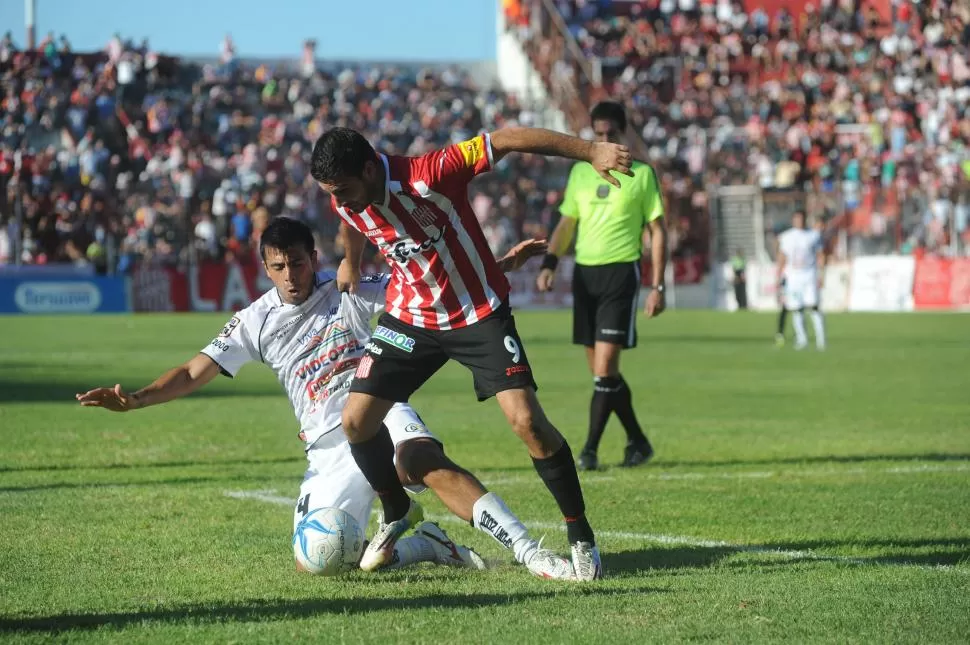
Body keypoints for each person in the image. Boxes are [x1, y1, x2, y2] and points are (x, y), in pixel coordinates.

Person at [76, 217, 576, 580]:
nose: (291, 274)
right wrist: (135, 400)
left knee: (419, 458)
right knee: (316, 559)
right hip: (326, 447)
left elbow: (429, 287)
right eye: (279, 266)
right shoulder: (254, 321)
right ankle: (425, 545)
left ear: (314, 258)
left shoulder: (349, 287)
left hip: (375, 407)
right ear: (266, 270)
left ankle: (531, 552)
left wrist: (502, 264)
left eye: (297, 262)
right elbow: (192, 370)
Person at [310, 125, 634, 580]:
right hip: (411, 319)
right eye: (332, 193)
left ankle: (580, 535)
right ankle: (397, 508)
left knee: (528, 423)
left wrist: (590, 151)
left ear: (369, 169)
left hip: (478, 312)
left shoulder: (431, 173)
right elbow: (351, 219)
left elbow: (507, 138)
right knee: (356, 421)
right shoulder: (347, 198)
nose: (340, 201)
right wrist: (352, 260)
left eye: (343, 190)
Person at [535, 101, 664, 472]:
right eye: (599, 133)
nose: (605, 140)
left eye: (612, 134)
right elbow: (566, 222)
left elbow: (658, 231)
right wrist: (550, 261)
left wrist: (658, 286)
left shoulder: (642, 175)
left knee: (606, 368)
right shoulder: (580, 173)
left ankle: (589, 450)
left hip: (621, 273)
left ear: (624, 135)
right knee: (601, 374)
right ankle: (638, 442)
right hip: (585, 276)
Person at [776, 211, 826, 350]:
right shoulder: (787, 237)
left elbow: (820, 255)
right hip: (793, 278)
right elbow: (782, 257)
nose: (799, 221)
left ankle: (821, 340)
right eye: (797, 219)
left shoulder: (813, 235)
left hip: (809, 275)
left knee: (814, 306)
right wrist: (778, 276)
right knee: (796, 308)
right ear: (793, 220)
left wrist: (821, 274)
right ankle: (802, 339)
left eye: (801, 219)